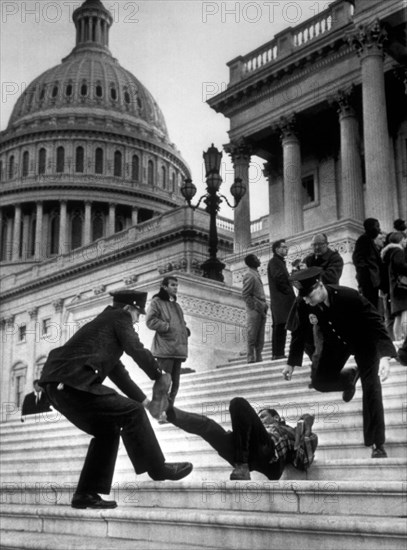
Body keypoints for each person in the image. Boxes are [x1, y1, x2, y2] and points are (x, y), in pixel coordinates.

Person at [39, 289, 193, 510]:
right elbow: (136, 349)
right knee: (131, 412)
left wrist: (146, 402)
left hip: (59, 387)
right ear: (128, 308)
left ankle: (86, 494)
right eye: (138, 314)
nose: (137, 320)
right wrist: (159, 375)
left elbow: (118, 373)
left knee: (108, 430)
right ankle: (157, 468)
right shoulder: (119, 317)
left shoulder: (103, 328)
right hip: (71, 383)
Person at [283, 267, 397, 459]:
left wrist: (385, 356)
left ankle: (377, 443)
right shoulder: (304, 303)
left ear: (320, 286)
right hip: (335, 344)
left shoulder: (348, 295)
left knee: (372, 389)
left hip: (363, 342)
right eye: (304, 297)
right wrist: (291, 362)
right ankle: (349, 377)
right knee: (319, 381)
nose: (307, 300)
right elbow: (299, 332)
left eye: (309, 295)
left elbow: (375, 321)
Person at [166, 398, 318, 481]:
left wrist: (305, 435)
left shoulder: (289, 431)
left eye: (264, 416)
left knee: (238, 403)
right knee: (208, 426)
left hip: (268, 456)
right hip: (244, 453)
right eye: (259, 418)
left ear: (276, 417)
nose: (261, 420)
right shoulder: (254, 429)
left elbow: (301, 462)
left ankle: (241, 466)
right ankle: (169, 413)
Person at [146, 276, 190, 419]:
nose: (175, 287)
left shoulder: (176, 306)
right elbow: (150, 321)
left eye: (176, 285)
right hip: (165, 350)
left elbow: (181, 322)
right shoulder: (156, 302)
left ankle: (168, 412)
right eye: (172, 285)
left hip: (178, 350)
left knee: (175, 384)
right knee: (164, 383)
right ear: (164, 287)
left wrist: (185, 330)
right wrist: (167, 327)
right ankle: (158, 413)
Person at [267, 240, 296, 360]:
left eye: (286, 247)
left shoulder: (279, 262)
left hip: (282, 300)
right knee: (280, 326)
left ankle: (278, 353)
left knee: (281, 326)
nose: (286, 249)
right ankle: (277, 354)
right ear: (276, 249)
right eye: (283, 247)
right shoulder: (274, 262)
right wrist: (289, 292)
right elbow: (279, 279)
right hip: (281, 300)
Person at [242, 254, 268, 363]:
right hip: (255, 309)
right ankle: (250, 357)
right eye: (257, 259)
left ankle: (258, 356)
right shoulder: (249, 275)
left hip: (261, 307)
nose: (259, 260)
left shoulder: (255, 273)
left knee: (260, 335)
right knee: (252, 334)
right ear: (252, 262)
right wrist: (254, 306)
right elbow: (246, 294)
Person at [381, 232, 407, 343]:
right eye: (405, 239)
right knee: (405, 312)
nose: (406, 241)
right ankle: (405, 339)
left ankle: (397, 340)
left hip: (395, 288)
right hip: (402, 287)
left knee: (398, 315)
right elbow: (401, 266)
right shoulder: (398, 251)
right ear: (400, 240)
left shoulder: (389, 253)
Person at [352, 218, 384, 309]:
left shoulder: (370, 240)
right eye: (377, 226)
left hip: (373, 281)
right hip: (368, 281)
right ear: (370, 227)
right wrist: (365, 275)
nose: (379, 229)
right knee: (370, 306)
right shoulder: (363, 240)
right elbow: (358, 259)